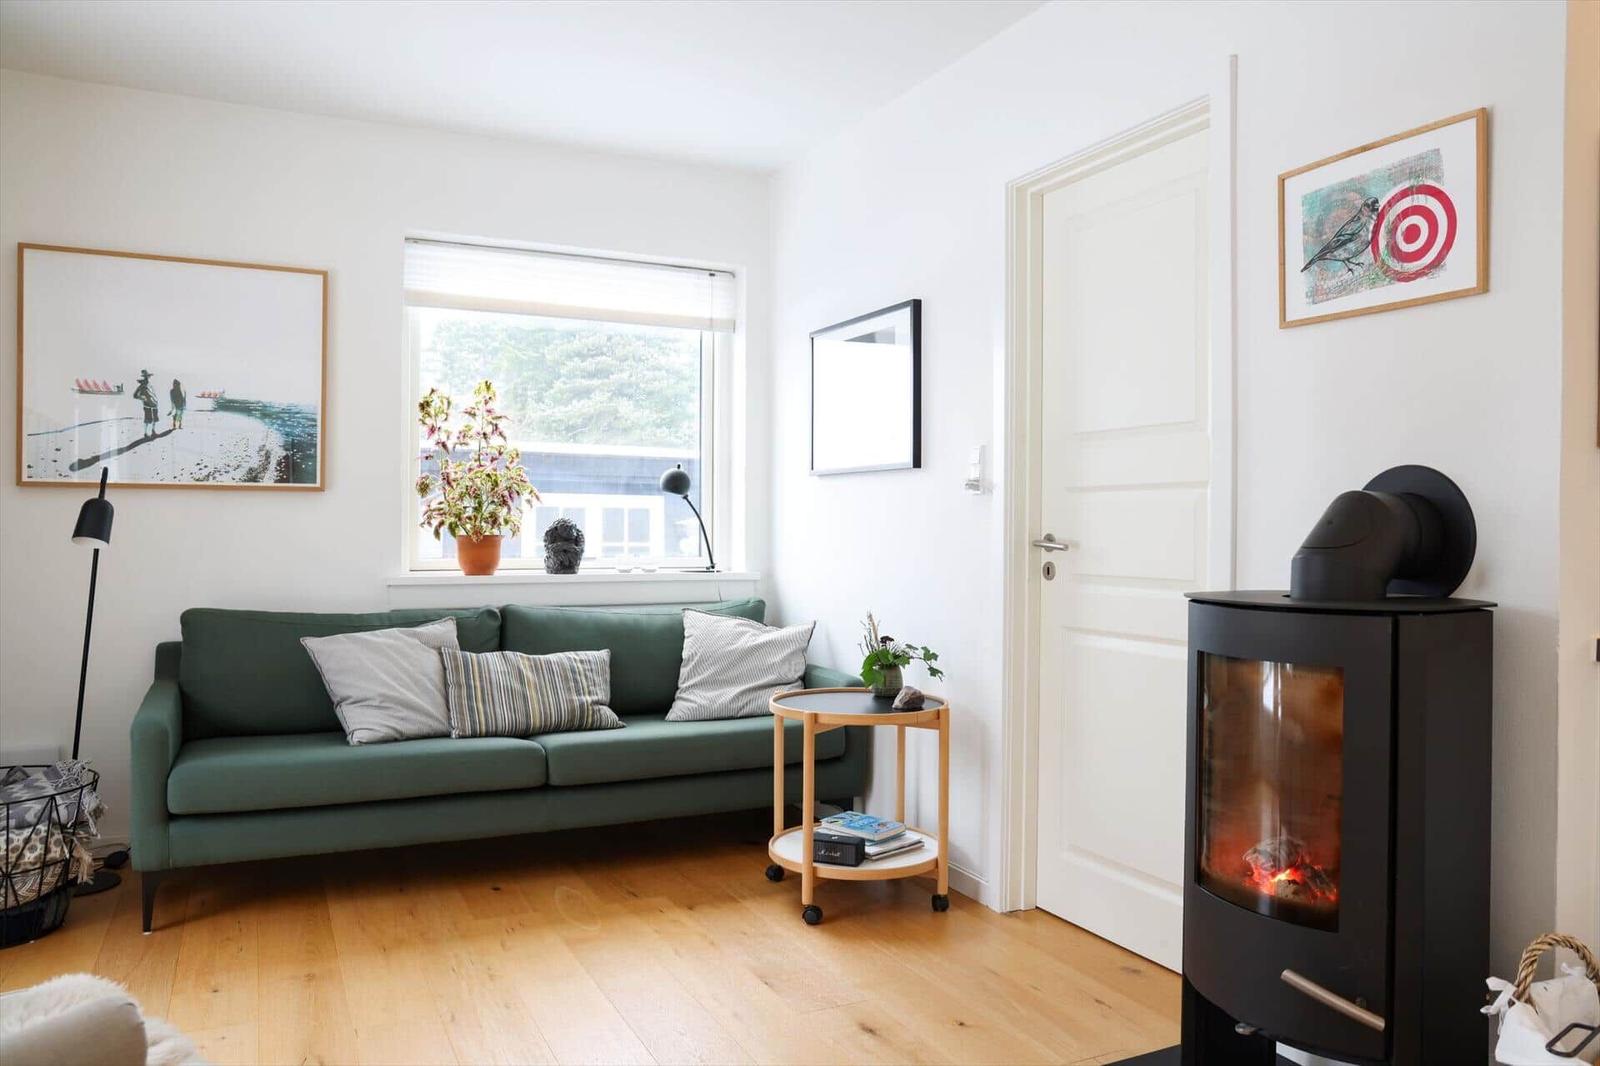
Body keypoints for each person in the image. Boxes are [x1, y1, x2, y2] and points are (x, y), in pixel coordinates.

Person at [132, 370, 159, 438]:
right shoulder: (141, 386)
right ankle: (146, 433)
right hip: (147, 405)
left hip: (154, 404)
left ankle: (153, 431)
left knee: (155, 419)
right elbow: (135, 395)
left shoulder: (150, 384)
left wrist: (155, 400)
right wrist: (143, 398)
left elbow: (152, 394)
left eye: (148, 376)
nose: (147, 378)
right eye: (146, 376)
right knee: (147, 419)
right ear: (144, 377)